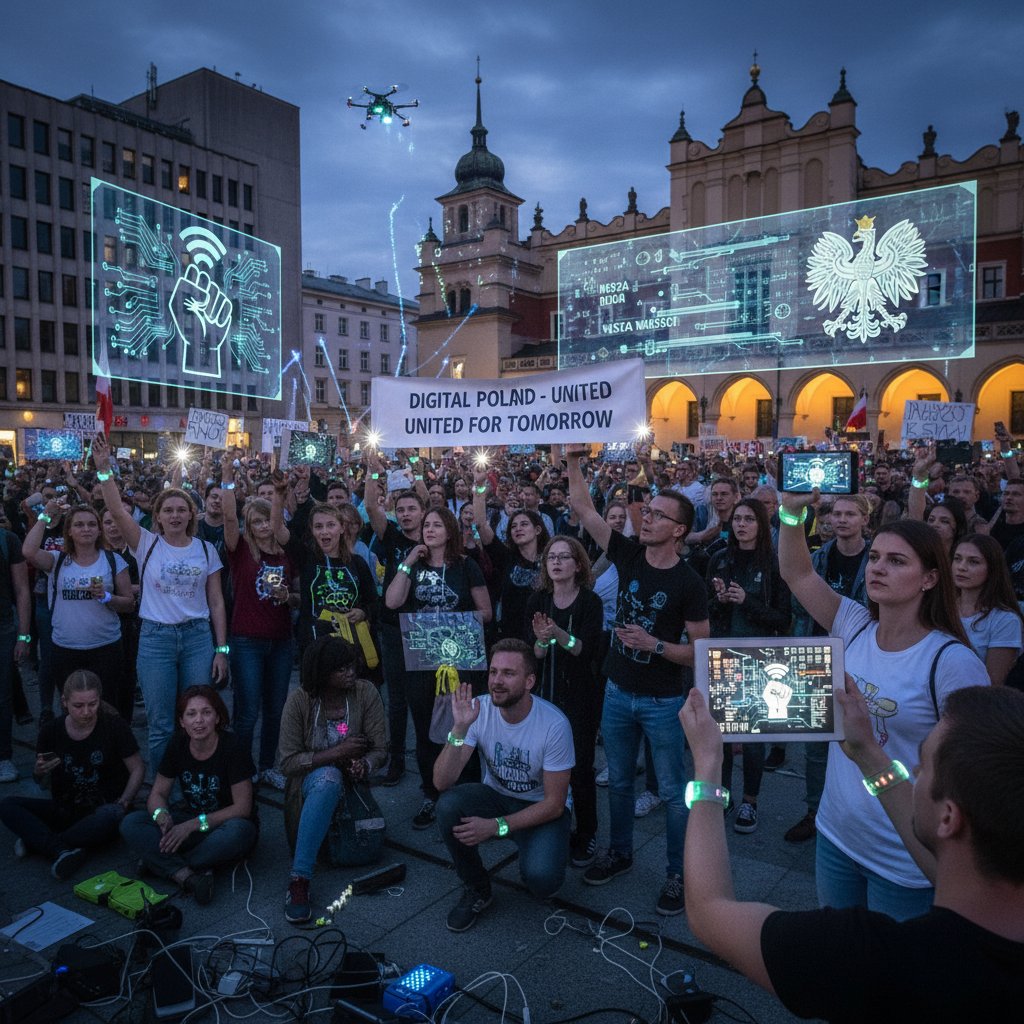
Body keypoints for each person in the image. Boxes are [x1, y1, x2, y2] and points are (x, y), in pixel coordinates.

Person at [678, 682, 1024, 1023]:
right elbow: (942, 862)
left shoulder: (869, 959)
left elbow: (708, 911)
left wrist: (708, 765)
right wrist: (866, 751)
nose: (914, 772)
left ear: (948, 817)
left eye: (923, 765)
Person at [779, 495, 989, 919]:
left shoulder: (952, 662)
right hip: (836, 834)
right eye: (875, 557)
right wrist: (789, 513)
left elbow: (973, 776)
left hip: (904, 857)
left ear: (930, 578)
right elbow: (798, 573)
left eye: (896, 561)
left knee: (892, 979)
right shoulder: (854, 624)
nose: (877, 567)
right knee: (842, 960)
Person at [565, 443, 710, 916]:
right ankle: (621, 853)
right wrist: (572, 462)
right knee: (621, 783)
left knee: (671, 792)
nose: (645, 519)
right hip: (616, 691)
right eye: (647, 511)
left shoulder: (690, 583)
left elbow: (703, 652)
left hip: (663, 700)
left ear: (680, 530)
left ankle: (676, 873)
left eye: (657, 515)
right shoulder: (628, 555)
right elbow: (584, 509)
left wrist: (657, 647)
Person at [93, 435, 228, 773]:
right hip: (156, 640)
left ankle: (196, 782)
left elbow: (216, 601)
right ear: (158, 516)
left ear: (190, 515)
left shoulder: (205, 550)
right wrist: (104, 471)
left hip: (198, 638)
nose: (175, 515)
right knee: (162, 723)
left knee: (198, 717)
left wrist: (221, 649)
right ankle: (161, 790)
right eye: (168, 510)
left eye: (181, 509)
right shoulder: (145, 543)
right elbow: (114, 509)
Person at [433, 639, 574, 932]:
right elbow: (441, 781)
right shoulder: (480, 709)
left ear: (529, 681)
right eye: (493, 672)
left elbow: (554, 804)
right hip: (496, 796)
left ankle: (542, 844)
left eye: (508, 673)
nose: (497, 681)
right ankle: (477, 889)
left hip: (541, 807)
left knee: (542, 881)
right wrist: (459, 729)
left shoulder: (554, 724)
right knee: (447, 805)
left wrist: (496, 826)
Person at [385, 507, 492, 829]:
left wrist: (450, 623)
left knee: (464, 725)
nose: (429, 530)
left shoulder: (466, 565)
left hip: (460, 657)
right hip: (422, 659)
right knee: (425, 725)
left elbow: (486, 612)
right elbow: (391, 602)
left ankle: (469, 792)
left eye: (437, 525)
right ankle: (431, 793)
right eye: (426, 525)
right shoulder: (413, 566)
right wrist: (406, 562)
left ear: (449, 530)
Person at [782, 492, 872, 841]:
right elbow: (798, 603)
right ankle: (815, 811)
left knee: (859, 741)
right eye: (837, 513)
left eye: (851, 514)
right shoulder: (817, 558)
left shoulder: (874, 560)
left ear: (865, 520)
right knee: (816, 746)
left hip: (859, 661)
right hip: (817, 658)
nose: (843, 519)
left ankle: (864, 814)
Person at [279, 637, 386, 924]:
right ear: (322, 673)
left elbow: (380, 750)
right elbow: (287, 762)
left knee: (336, 777)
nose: (350, 673)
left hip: (354, 789)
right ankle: (299, 879)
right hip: (309, 784)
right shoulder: (300, 700)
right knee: (328, 777)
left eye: (352, 666)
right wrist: (337, 753)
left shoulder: (365, 693)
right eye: (341, 669)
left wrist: (365, 764)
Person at [120, 685, 257, 905]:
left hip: (221, 824)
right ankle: (187, 874)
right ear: (182, 721)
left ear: (218, 718)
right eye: (191, 714)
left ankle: (163, 864)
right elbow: (158, 793)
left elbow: (242, 808)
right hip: (189, 819)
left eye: (206, 712)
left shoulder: (233, 747)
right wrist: (161, 815)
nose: (199, 720)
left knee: (240, 832)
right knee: (131, 823)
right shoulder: (177, 743)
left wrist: (192, 825)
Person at [0, 670, 143, 878]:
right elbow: (42, 782)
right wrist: (39, 771)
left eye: (92, 704)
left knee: (112, 815)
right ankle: (58, 847)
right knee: (8, 805)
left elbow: (138, 768)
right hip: (65, 809)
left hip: (101, 810)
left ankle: (43, 842)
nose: (86, 712)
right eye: (78, 706)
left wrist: (125, 800)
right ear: (64, 702)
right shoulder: (51, 731)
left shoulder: (113, 726)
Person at [706, 498, 792, 833]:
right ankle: (723, 795)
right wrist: (720, 600)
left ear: (762, 524)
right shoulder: (719, 559)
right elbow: (706, 610)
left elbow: (783, 618)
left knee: (754, 737)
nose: (741, 524)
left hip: (759, 657)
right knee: (721, 735)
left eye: (749, 519)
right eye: (737, 519)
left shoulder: (775, 563)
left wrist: (747, 601)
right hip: (724, 654)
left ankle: (750, 801)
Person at [526, 536, 604, 867]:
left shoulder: (590, 601)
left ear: (578, 564)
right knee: (544, 763)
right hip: (545, 693)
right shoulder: (538, 599)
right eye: (550, 558)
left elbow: (583, 648)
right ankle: (549, 823)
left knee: (580, 767)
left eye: (564, 557)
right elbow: (535, 653)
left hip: (580, 695)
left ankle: (587, 832)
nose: (556, 563)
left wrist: (558, 634)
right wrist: (542, 641)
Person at [220, 458, 297, 790]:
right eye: (256, 520)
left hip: (281, 641)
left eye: (267, 519)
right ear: (248, 525)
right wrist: (226, 478)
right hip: (247, 641)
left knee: (276, 709)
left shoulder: (286, 552)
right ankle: (241, 769)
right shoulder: (240, 551)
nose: (263, 525)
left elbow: (298, 595)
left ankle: (268, 765)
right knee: (248, 711)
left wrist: (288, 598)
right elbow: (226, 517)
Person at [22, 499, 134, 711]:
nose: (86, 529)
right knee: (71, 708)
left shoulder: (113, 561)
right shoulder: (57, 560)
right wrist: (45, 515)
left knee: (106, 707)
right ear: (69, 531)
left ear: (99, 530)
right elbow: (28, 551)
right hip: (65, 648)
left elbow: (129, 604)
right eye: (79, 525)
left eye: (92, 524)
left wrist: (108, 597)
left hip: (106, 648)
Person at [364, 459, 427, 787]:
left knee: (426, 698)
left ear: (422, 512)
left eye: (411, 509)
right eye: (400, 509)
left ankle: (429, 762)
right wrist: (373, 472)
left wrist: (415, 471)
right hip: (392, 626)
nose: (404, 514)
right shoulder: (389, 536)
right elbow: (370, 505)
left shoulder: (433, 539)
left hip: (425, 626)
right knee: (398, 698)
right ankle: (397, 760)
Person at [473, 467, 549, 643]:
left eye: (524, 524)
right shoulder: (506, 557)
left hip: (543, 640)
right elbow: (481, 526)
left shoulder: (551, 561)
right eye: (514, 526)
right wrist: (479, 486)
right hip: (509, 637)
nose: (518, 529)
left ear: (537, 529)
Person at [952, 533, 1024, 686]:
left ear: (991, 568)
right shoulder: (940, 607)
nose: (961, 567)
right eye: (957, 559)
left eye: (973, 562)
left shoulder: (1005, 620)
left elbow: (992, 683)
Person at [0, 520, 31, 783]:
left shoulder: (7, 539)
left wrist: (23, 635)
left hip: (3, 628)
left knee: (2, 694)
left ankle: (3, 756)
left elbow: (22, 590)